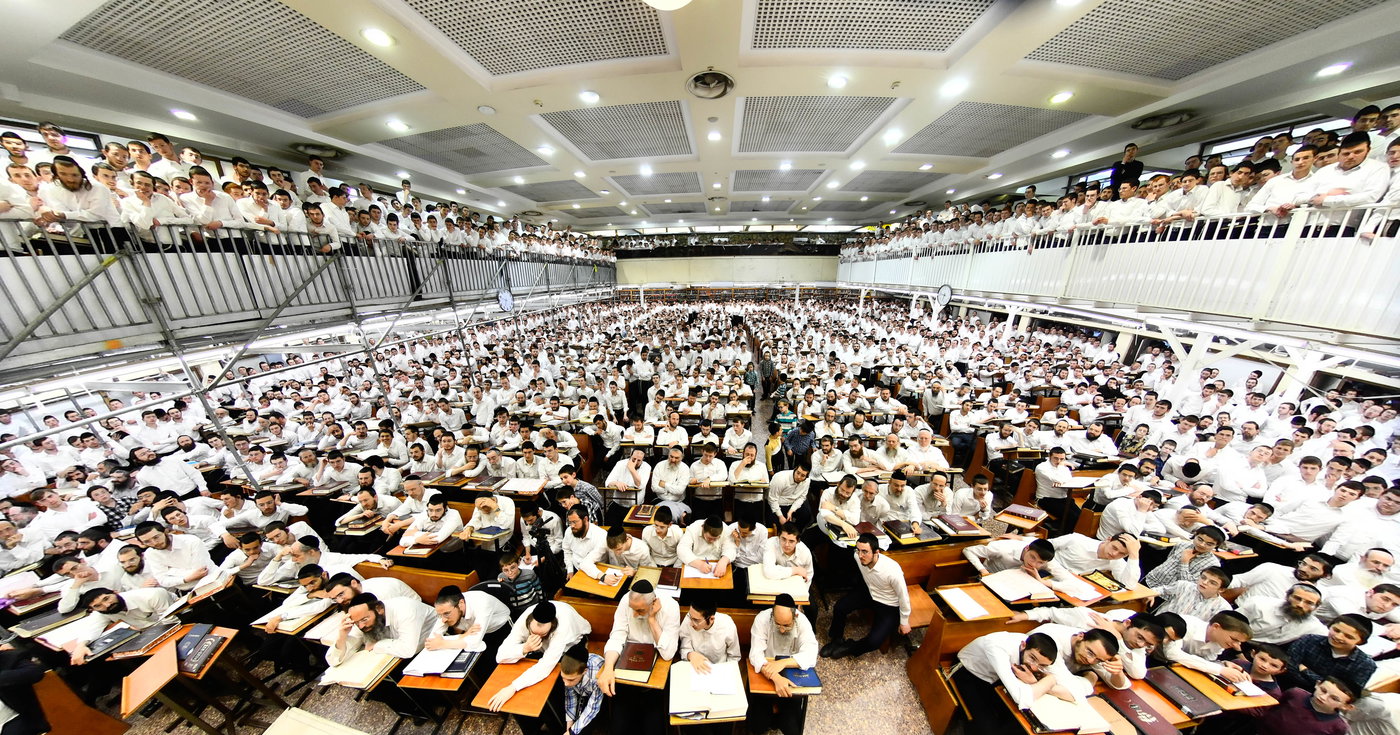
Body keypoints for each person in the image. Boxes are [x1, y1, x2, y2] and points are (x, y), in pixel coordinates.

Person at [954, 631, 1084, 731]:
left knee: (1019, 722)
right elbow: (1021, 697)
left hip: (996, 681)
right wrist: (1050, 680)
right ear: (1023, 645)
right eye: (1032, 658)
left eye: (1042, 665)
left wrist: (1037, 682)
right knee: (988, 728)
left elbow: (1075, 693)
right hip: (969, 674)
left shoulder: (1040, 655)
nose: (1034, 667)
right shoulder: (998, 647)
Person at [597, 579, 680, 735]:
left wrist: (652, 619)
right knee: (618, 729)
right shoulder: (625, 601)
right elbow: (617, 636)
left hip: (655, 671)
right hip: (628, 669)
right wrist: (608, 668)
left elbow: (668, 654)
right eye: (632, 609)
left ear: (653, 603)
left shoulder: (671, 607)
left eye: (640, 610)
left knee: (653, 729)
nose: (634, 614)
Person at [822, 533, 910, 659]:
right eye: (858, 550)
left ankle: (850, 647)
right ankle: (836, 640)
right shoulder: (858, 557)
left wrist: (904, 621)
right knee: (840, 607)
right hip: (870, 593)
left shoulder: (892, 571)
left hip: (889, 603)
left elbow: (903, 596)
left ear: (876, 552)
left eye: (865, 552)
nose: (860, 556)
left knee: (874, 641)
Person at [747, 593, 818, 735]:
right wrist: (775, 677)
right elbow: (755, 655)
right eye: (777, 624)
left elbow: (810, 655)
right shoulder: (762, 619)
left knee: (792, 728)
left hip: (791, 677)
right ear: (772, 614)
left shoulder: (802, 621)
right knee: (756, 725)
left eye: (786, 625)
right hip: (766, 674)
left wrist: (783, 663)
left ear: (795, 615)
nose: (781, 629)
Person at [560, 642, 607, 735]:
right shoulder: (570, 675)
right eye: (563, 678)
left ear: (584, 671)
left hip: (601, 695)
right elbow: (570, 699)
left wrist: (572, 732)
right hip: (582, 690)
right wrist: (569, 728)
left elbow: (592, 708)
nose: (565, 683)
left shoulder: (596, 677)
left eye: (571, 680)